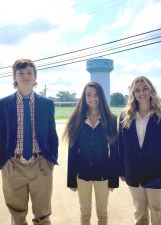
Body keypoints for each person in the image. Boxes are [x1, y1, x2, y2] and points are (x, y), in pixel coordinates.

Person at [0, 58, 58, 225]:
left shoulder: (46, 104)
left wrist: (49, 162)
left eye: (29, 72)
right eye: (21, 73)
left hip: (41, 164)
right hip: (13, 165)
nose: (25, 76)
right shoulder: (2, 105)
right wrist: (3, 162)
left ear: (35, 76)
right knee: (17, 216)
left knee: (43, 216)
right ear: (15, 77)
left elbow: (52, 134)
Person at [118, 76, 161, 225]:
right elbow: (121, 146)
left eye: (145, 88)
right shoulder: (125, 116)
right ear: (133, 93)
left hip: (159, 173)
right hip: (134, 171)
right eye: (137, 90)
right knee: (140, 211)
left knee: (158, 210)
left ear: (151, 90)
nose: (142, 93)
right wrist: (121, 170)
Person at [63, 81, 119, 225]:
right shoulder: (77, 119)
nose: (92, 98)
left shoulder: (111, 119)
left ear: (101, 96)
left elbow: (114, 151)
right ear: (84, 97)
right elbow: (72, 152)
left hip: (103, 174)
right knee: (85, 212)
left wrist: (114, 179)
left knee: (102, 213)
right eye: (88, 95)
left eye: (96, 94)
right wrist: (71, 180)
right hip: (82, 174)